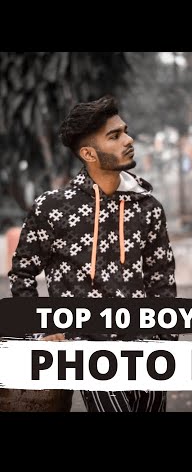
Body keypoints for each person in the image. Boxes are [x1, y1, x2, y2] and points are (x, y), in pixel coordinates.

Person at [8, 95, 176, 412]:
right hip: (88, 347)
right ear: (88, 153)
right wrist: (43, 329)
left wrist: (165, 338)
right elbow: (23, 273)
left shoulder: (148, 207)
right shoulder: (52, 207)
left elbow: (160, 276)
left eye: (125, 131)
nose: (128, 140)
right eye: (114, 136)